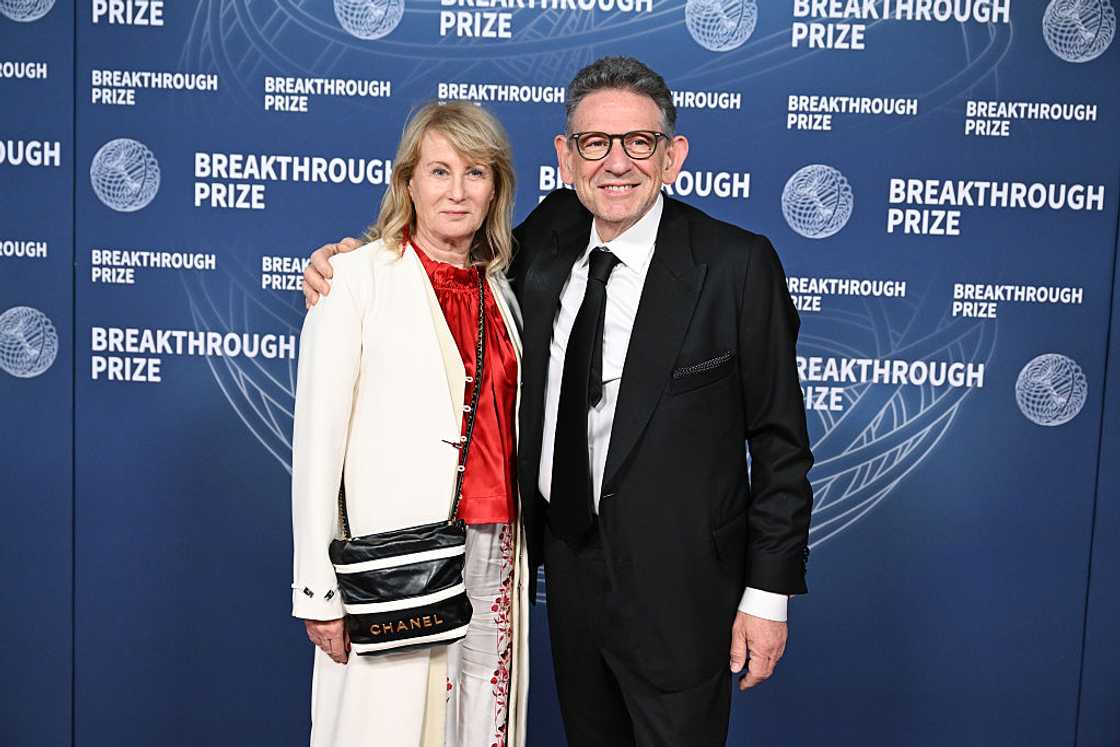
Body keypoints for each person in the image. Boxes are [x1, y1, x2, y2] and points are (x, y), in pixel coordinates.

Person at [303, 57, 813, 746]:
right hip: (562, 573)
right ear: (566, 158)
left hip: (682, 589)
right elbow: (438, 263)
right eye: (594, 144)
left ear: (673, 156)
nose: (617, 164)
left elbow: (781, 445)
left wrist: (767, 594)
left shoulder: (736, 264)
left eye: (640, 142)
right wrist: (355, 257)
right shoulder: (548, 235)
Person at [290, 101, 530, 747]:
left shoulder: (500, 290)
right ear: (408, 182)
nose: (457, 190)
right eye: (440, 171)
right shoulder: (354, 278)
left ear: (495, 188)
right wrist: (318, 590)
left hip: (492, 546)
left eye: (475, 172)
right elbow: (318, 446)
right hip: (395, 561)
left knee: (478, 720)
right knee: (391, 727)